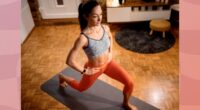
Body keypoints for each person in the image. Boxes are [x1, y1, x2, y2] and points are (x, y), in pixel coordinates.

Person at [59, 1, 136, 110]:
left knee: (130, 83)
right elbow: (69, 61)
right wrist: (85, 71)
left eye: (101, 15)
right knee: (81, 88)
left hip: (108, 64)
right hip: (94, 69)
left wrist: (111, 52)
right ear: (86, 16)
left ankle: (126, 103)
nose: (100, 19)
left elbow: (110, 38)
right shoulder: (83, 38)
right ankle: (63, 77)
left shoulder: (105, 28)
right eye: (95, 16)